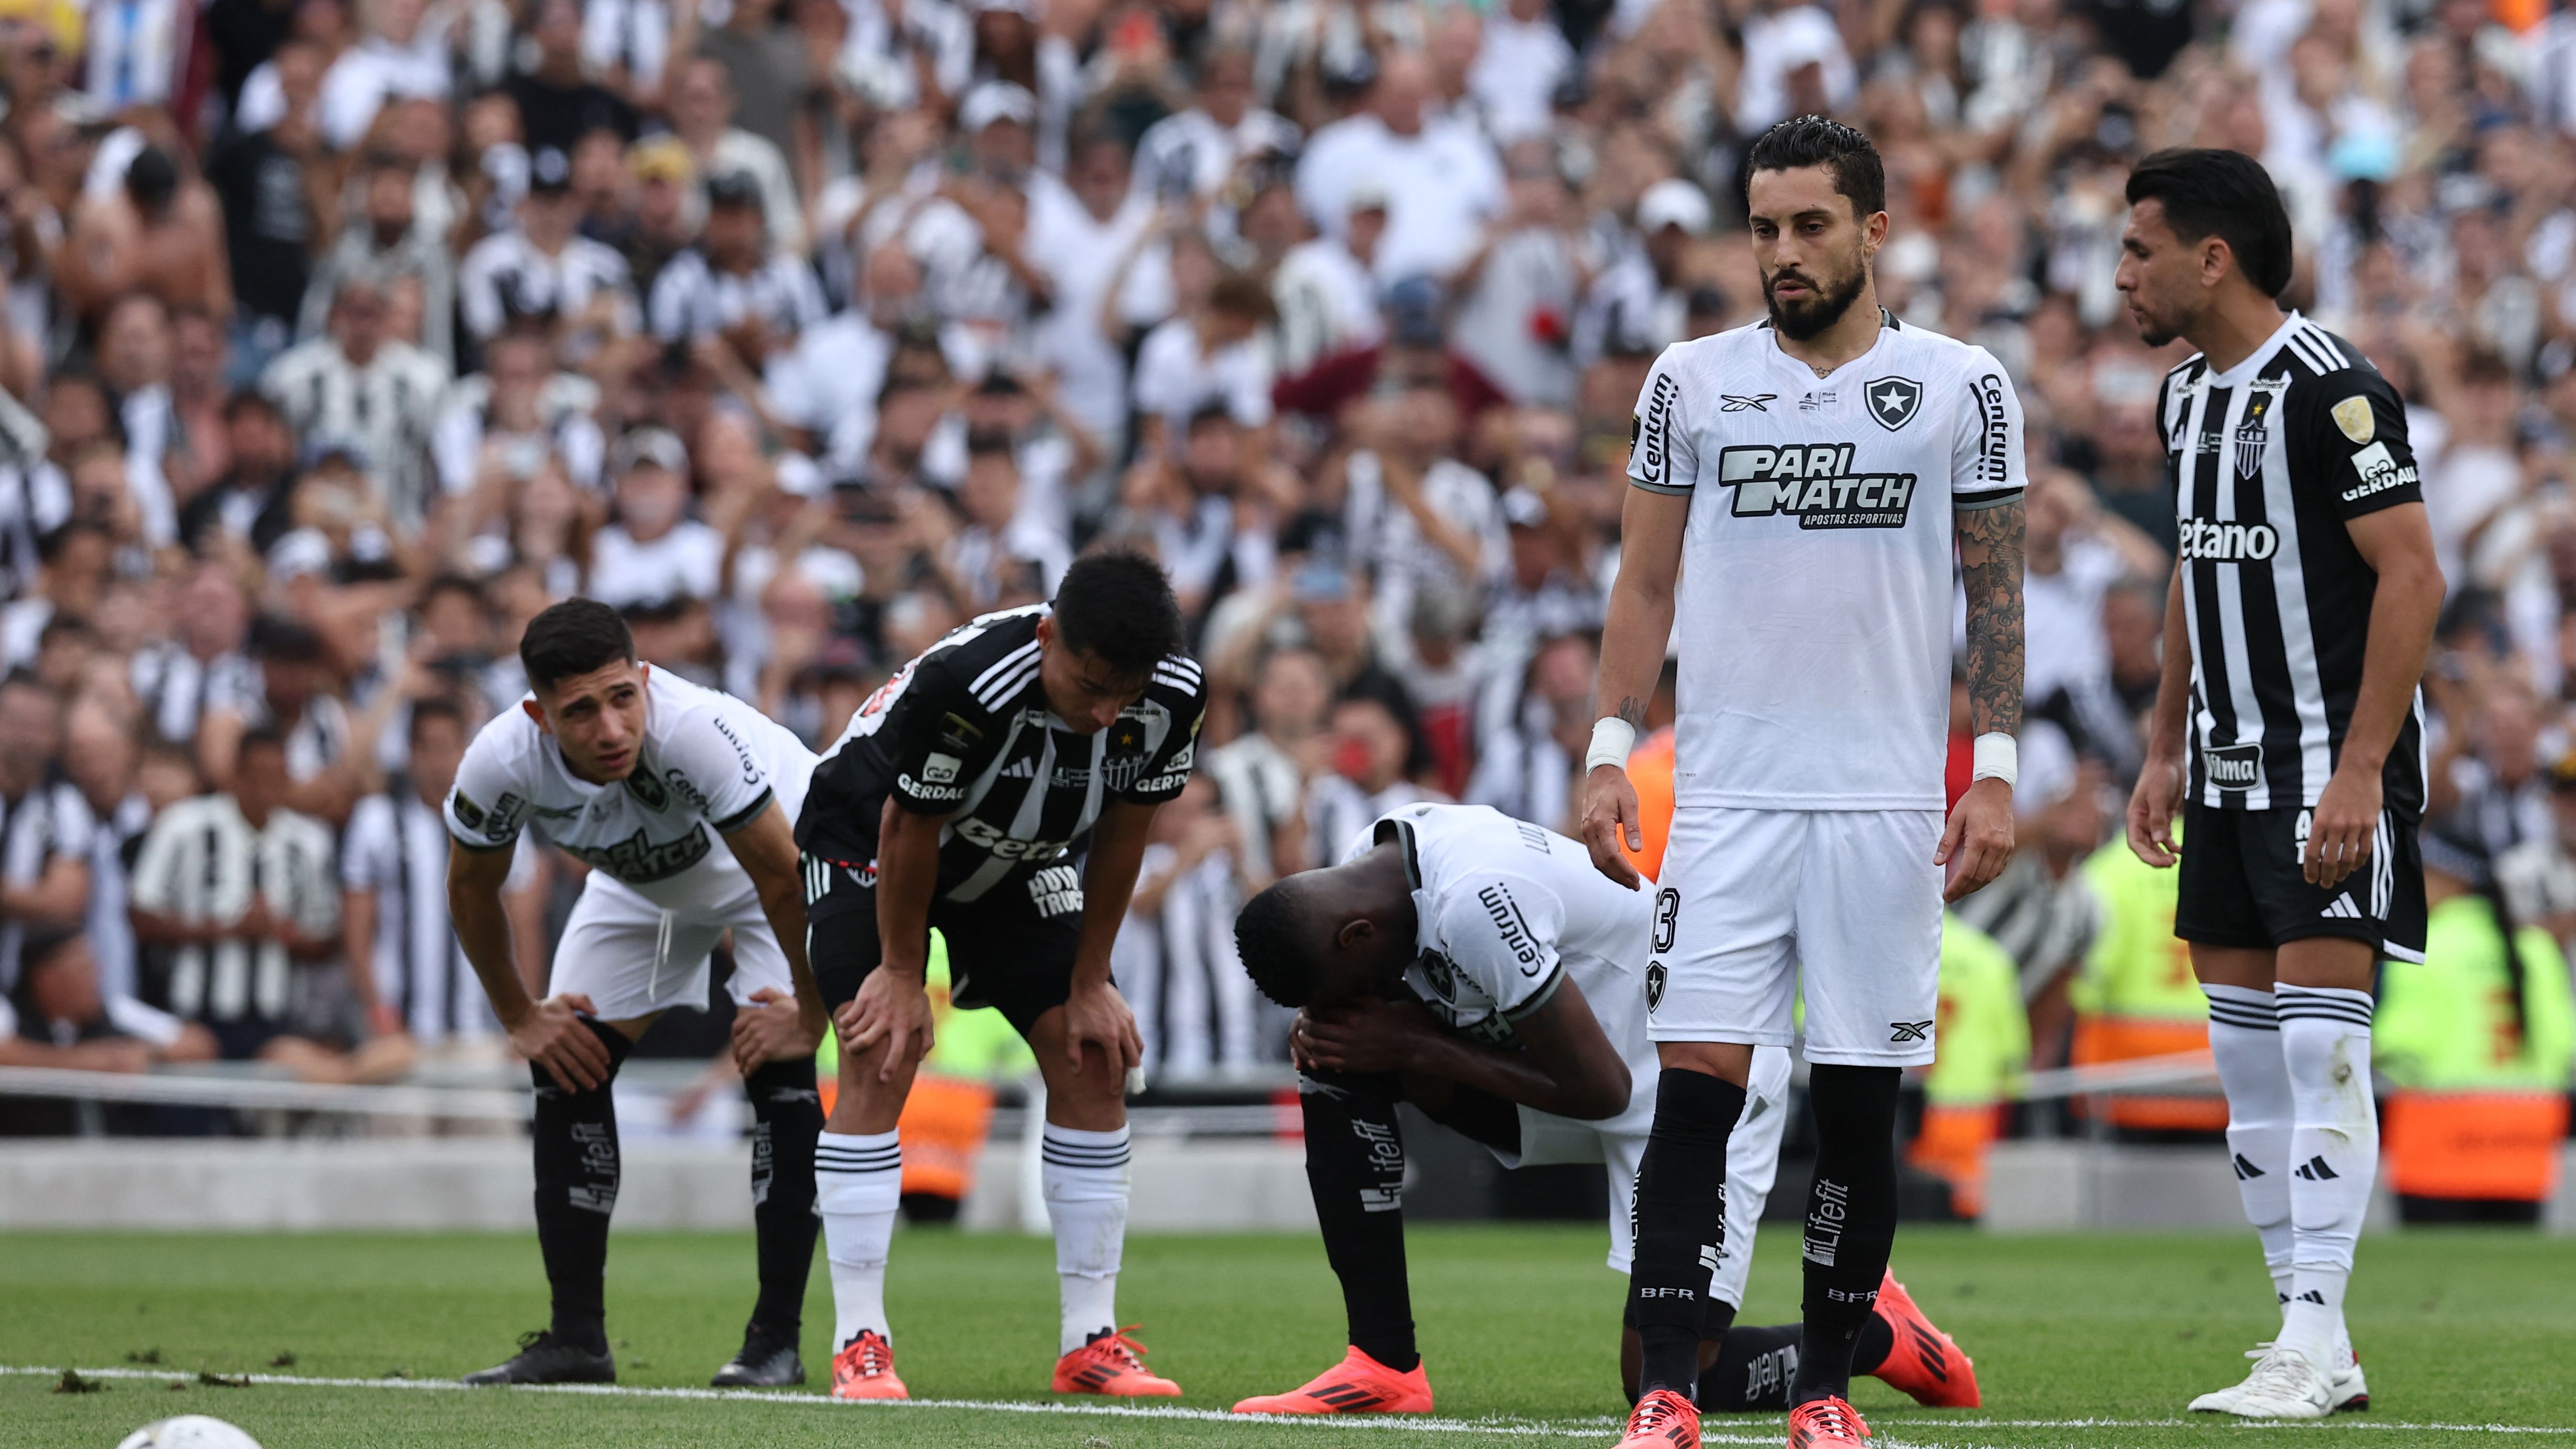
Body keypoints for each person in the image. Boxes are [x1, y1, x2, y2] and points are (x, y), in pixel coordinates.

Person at [1578, 118, 2026, 1449]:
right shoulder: (1690, 381)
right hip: (1722, 803)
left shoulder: (1960, 384)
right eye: (1763, 227)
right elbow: (1642, 583)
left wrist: (1990, 771)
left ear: (1873, 229)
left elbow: (1993, 589)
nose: (1780, 252)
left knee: (1853, 1107)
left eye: (1809, 225)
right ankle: (1665, 1387)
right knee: (1697, 1097)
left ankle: (1827, 1391)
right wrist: (1608, 751)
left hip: (1886, 807)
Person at [1228, 801, 1979, 1418]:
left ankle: (1879, 1336)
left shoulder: (1474, 902)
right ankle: (1383, 1361)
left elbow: (1604, 1088)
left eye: (1337, 980)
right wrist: (1376, 1038)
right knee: (1336, 1053)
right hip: (1589, 1081)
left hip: (1703, 1089)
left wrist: (1415, 1047)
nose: (1346, 995)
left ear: (1356, 932)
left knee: (1682, 1377)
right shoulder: (1377, 861)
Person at [2115, 148, 2444, 1420]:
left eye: (2140, 249)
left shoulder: (2332, 392)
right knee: (2247, 1066)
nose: (2120, 274)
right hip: (2225, 763)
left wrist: (2361, 767)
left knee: (2316, 1049)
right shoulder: (2185, 398)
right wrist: (2160, 747)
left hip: (2325, 762)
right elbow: (2195, 577)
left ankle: (2311, 1335)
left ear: (2213, 258)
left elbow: (2410, 577)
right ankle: (2313, 1339)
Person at [797, 550, 1205, 1402]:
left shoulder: (1172, 693)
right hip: (870, 839)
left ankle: (1090, 1341)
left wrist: (1094, 978)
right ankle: (859, 1341)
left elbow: (1129, 828)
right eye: (1090, 683)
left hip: (1016, 859)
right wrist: (904, 971)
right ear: (1049, 632)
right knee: (882, 1043)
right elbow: (908, 825)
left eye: (1124, 693)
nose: (1105, 712)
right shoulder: (970, 681)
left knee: (1094, 1054)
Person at [445, 599, 830, 1389]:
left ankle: (775, 1343)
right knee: (566, 1058)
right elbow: (471, 887)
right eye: (579, 710)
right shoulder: (500, 760)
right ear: (538, 716)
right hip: (643, 886)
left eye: (623, 697)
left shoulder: (690, 732)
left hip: (781, 871)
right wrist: (519, 1016)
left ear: (644, 677)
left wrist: (811, 1013)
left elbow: (784, 876)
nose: (611, 728)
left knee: (778, 1067)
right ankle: (576, 1339)